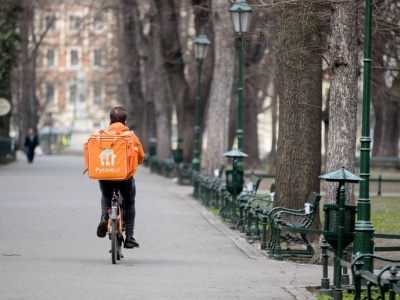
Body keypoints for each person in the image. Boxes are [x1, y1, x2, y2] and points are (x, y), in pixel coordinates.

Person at [96, 106, 145, 249]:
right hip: (124, 178)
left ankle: (104, 217)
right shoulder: (131, 137)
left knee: (106, 195)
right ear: (125, 121)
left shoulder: (102, 135)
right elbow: (140, 156)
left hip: (105, 177)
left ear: (110, 120)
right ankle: (129, 236)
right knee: (129, 201)